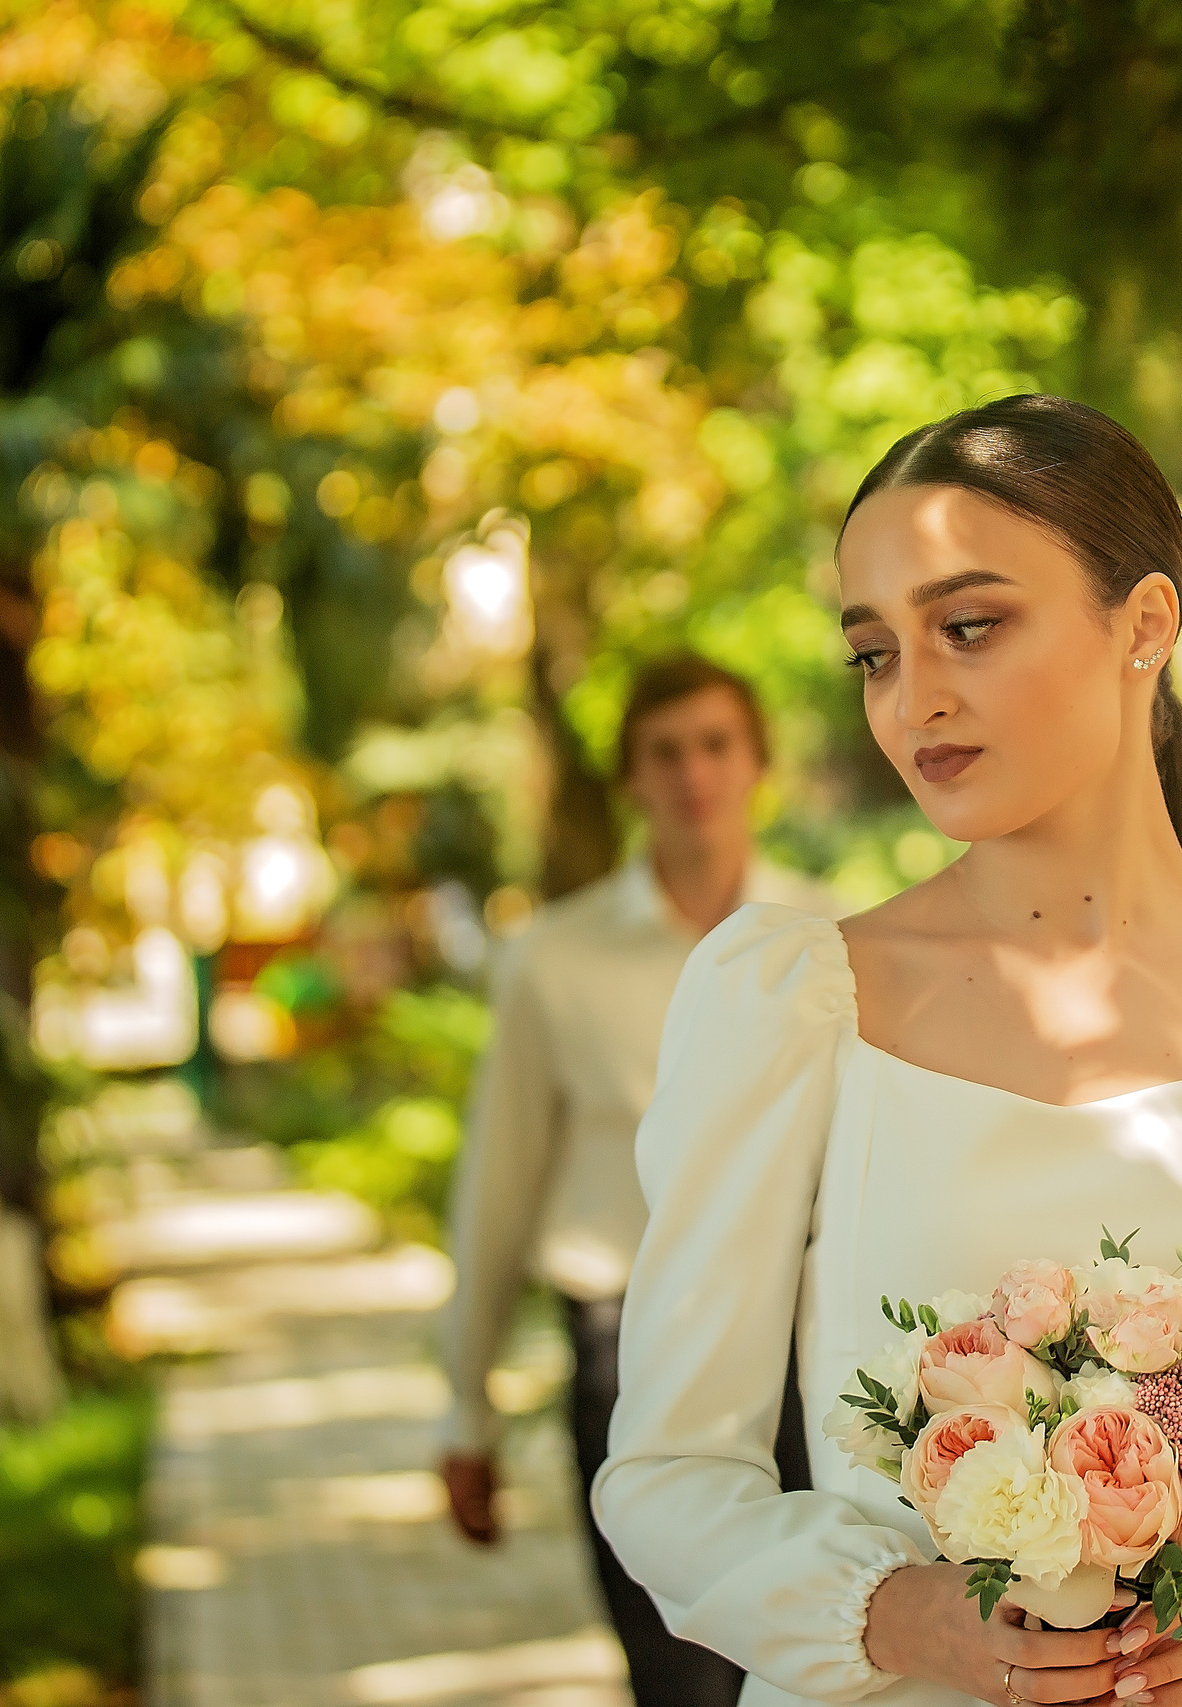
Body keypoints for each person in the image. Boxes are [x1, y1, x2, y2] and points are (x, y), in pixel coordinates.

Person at [594, 395, 1182, 1707]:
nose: (914, 697)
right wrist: (899, 1612)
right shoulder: (792, 1007)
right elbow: (666, 1476)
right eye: (874, 652)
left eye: (970, 626)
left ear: (1147, 623)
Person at [438, 653, 842, 1707]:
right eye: (665, 752)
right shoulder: (552, 961)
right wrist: (463, 1410)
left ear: (758, 763)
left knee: (819, 1663)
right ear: (631, 780)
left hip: (803, 1345)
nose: (692, 773)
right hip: (625, 1347)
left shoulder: (831, 942)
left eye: (715, 744)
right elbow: (498, 1184)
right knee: (675, 1679)